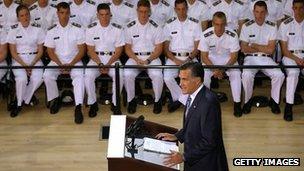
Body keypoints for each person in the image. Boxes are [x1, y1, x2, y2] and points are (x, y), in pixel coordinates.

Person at [156, 62, 228, 171]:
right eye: (180, 79)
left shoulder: (208, 102)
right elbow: (192, 125)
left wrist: (184, 157)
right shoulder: (192, 95)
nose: (180, 84)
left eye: (185, 79)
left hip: (206, 164)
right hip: (194, 161)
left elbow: (209, 141)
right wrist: (177, 136)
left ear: (197, 80)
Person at [44, 2, 85, 124]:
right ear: (57, 13)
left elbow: (82, 50)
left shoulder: (77, 29)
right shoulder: (51, 31)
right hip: (57, 60)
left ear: (70, 13)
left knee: (79, 78)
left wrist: (71, 64)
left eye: (67, 12)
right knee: (47, 75)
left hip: (75, 60)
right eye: (62, 12)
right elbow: (50, 51)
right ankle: (55, 99)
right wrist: (60, 63)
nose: (64, 15)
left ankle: (78, 107)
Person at [240, 0, 285, 114]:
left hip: (266, 59)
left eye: (262, 12)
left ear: (266, 13)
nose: (259, 15)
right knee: (246, 75)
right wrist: (262, 47)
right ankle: (247, 102)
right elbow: (244, 48)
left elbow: (270, 50)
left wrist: (254, 45)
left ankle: (274, 102)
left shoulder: (272, 26)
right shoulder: (246, 26)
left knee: (279, 75)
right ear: (253, 12)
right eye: (257, 12)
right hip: (250, 58)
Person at [124, 0, 164, 114]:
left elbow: (159, 48)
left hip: (152, 57)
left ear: (149, 11)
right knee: (127, 74)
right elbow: (127, 48)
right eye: (141, 11)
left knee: (157, 75)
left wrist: (148, 60)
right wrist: (136, 60)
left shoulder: (156, 27)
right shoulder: (129, 26)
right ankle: (131, 100)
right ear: (137, 11)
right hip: (134, 57)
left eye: (146, 11)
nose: (143, 14)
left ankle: (157, 101)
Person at [199, 11, 242, 117]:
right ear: (213, 23)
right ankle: (206, 104)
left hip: (228, 59)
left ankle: (237, 103)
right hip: (210, 59)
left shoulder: (233, 35)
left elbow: (234, 57)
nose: (220, 27)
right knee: (204, 74)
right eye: (217, 24)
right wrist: (215, 70)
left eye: (222, 24)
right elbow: (204, 57)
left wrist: (222, 70)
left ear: (226, 23)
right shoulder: (205, 35)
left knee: (236, 73)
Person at [84, 3, 124, 116]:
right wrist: (100, 64)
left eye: (107, 14)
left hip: (113, 58)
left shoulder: (117, 29)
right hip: (96, 58)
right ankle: (92, 104)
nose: (104, 17)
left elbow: (119, 50)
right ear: (97, 15)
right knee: (88, 75)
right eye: (102, 15)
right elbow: (90, 50)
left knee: (120, 74)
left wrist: (108, 64)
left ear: (110, 14)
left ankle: (115, 104)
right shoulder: (91, 29)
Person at [7, 5, 45, 117]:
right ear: (18, 18)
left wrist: (32, 65)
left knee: (39, 78)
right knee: (22, 79)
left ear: (30, 15)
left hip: (35, 59)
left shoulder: (38, 29)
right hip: (19, 59)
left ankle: (23, 99)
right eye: (22, 15)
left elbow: (41, 51)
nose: (25, 17)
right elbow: (13, 52)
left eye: (27, 14)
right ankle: (19, 105)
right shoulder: (13, 30)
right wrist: (25, 66)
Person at [163, 0, 201, 112]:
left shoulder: (195, 23)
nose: (181, 12)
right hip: (173, 58)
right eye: (178, 9)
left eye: (183, 9)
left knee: (192, 78)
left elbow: (197, 47)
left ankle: (179, 101)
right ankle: (184, 99)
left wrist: (188, 59)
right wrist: (175, 60)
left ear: (187, 8)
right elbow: (165, 48)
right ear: (175, 10)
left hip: (190, 57)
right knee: (167, 77)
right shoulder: (169, 24)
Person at [279, 0, 304, 121]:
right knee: (293, 73)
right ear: (292, 9)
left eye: (301, 8)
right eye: (296, 8)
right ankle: (289, 107)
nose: (298, 11)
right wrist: (298, 60)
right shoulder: (285, 24)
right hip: (290, 56)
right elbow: (284, 50)